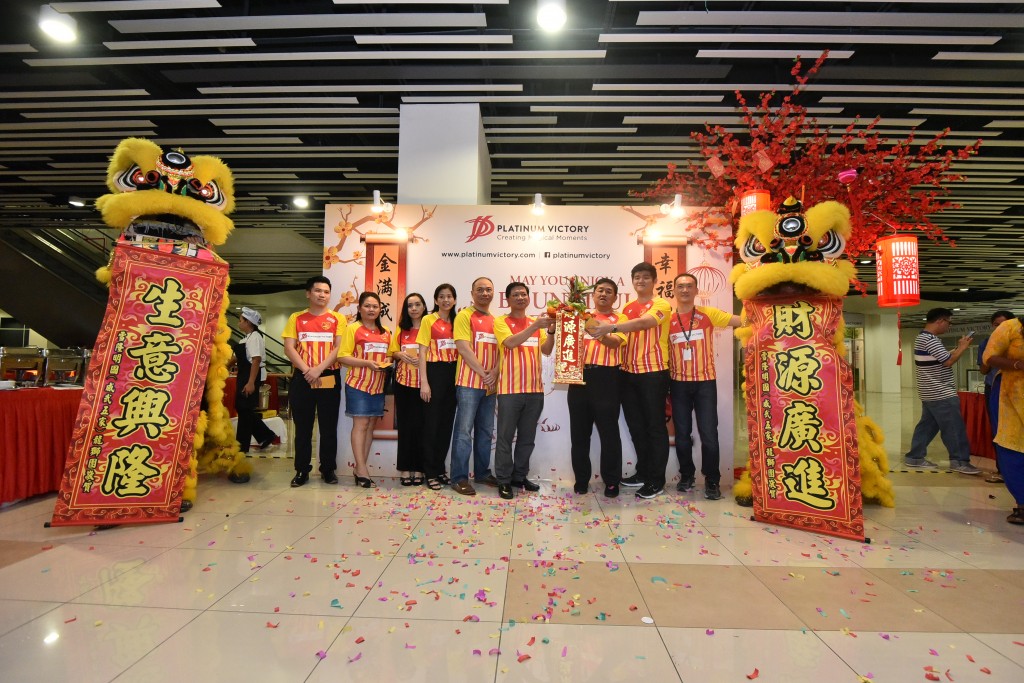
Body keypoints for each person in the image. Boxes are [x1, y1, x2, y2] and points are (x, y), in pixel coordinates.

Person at [589, 262, 672, 499]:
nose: (641, 281)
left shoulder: (661, 305)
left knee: (655, 427)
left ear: (654, 281)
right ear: (632, 281)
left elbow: (644, 323)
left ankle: (656, 480)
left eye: (646, 277)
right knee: (636, 427)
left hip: (653, 372)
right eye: (637, 277)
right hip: (627, 372)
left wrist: (611, 326)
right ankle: (643, 472)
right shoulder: (627, 306)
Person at [668, 272, 742, 500]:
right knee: (682, 435)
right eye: (680, 286)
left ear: (696, 290)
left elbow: (740, 321)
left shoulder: (708, 314)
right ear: (674, 290)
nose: (685, 290)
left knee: (709, 434)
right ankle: (687, 476)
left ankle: (712, 480)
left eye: (689, 286)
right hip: (678, 384)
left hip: (705, 383)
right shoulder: (666, 321)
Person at [282, 276, 346, 487]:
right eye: (318, 291)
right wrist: (307, 370)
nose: (322, 295)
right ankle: (302, 470)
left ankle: (328, 469)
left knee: (328, 427)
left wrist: (318, 369)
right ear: (308, 293)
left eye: (326, 292)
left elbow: (338, 348)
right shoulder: (296, 318)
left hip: (328, 376)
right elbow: (289, 347)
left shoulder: (338, 319)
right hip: (303, 377)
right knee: (303, 427)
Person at [493, 282, 555, 500]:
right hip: (510, 390)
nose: (520, 297)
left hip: (535, 390)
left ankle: (519, 477)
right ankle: (503, 480)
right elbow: (509, 343)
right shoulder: (502, 321)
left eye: (523, 294)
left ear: (529, 298)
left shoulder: (534, 323)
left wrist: (550, 331)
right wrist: (534, 327)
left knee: (527, 439)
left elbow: (546, 351)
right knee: (504, 438)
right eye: (515, 294)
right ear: (507, 299)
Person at [903, 307, 981, 474]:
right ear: (940, 321)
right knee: (954, 428)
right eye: (948, 322)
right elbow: (948, 362)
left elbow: (941, 357)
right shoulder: (930, 339)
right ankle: (959, 461)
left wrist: (958, 348)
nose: (949, 326)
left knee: (927, 427)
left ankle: (914, 457)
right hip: (941, 392)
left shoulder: (922, 338)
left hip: (929, 391)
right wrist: (963, 347)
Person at [568, 277, 627, 498]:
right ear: (592, 295)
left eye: (608, 291)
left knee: (609, 433)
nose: (603, 294)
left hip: (607, 377)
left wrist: (593, 329)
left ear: (615, 297)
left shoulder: (620, 319)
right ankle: (581, 480)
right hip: (579, 377)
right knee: (579, 434)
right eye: (599, 290)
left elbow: (615, 342)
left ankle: (612, 481)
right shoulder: (581, 316)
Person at [450, 277, 500, 496]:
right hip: (469, 383)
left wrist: (493, 374)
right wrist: (484, 374)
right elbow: (463, 347)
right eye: (480, 290)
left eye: (488, 289)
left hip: (490, 386)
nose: (484, 293)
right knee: (463, 432)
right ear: (472, 293)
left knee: (486, 432)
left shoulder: (497, 321)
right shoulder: (464, 315)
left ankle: (482, 472)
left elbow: (502, 351)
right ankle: (459, 478)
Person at [339, 291, 392, 488]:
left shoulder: (386, 332)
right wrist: (366, 363)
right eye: (367, 306)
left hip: (378, 386)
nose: (371, 309)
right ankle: (361, 468)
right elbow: (343, 357)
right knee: (360, 425)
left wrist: (387, 361)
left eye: (375, 306)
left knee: (370, 425)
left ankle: (359, 467)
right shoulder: (353, 329)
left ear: (380, 309)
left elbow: (390, 355)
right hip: (358, 384)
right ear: (359, 308)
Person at [981, 314, 1024, 524]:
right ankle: (1022, 504)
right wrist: (1018, 364)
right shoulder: (1010, 327)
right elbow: (988, 359)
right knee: (1012, 448)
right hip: (1010, 395)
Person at [417, 283, 460, 491]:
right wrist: (424, 382)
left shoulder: (459, 320)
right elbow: (423, 352)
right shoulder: (428, 320)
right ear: (435, 300)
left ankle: (440, 469)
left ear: (454, 300)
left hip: (454, 374)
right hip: (434, 373)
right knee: (432, 425)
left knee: (446, 425)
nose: (445, 300)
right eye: (441, 296)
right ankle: (430, 472)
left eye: (449, 296)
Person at [390, 292, 427, 486]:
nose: (413, 308)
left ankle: (420, 469)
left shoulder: (430, 328)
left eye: (417, 304)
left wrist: (422, 359)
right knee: (405, 428)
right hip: (403, 384)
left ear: (424, 307)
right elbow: (392, 351)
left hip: (424, 385)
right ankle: (405, 468)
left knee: (421, 428)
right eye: (410, 305)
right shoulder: (401, 330)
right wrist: (401, 356)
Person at [232, 307, 277, 456]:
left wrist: (251, 382)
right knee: (243, 409)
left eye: (241, 320)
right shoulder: (245, 338)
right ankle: (266, 435)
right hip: (243, 375)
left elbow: (256, 360)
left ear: (248, 322)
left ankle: (242, 446)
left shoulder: (256, 337)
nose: (239, 323)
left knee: (244, 409)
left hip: (251, 376)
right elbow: (236, 358)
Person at [978, 310, 1014, 483]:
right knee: (998, 430)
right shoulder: (987, 343)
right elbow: (983, 369)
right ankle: (1003, 471)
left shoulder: (1017, 343)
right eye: (996, 325)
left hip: (1015, 391)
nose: (1000, 328)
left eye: (1004, 324)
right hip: (994, 389)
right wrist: (993, 356)